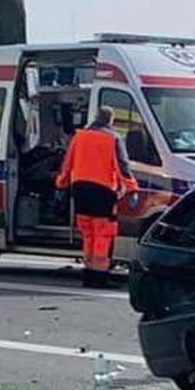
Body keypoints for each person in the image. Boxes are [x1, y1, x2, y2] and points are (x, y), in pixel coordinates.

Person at [55, 106, 138, 288]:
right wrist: (132, 188)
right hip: (103, 190)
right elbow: (123, 165)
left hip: (80, 189)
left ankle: (88, 275)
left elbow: (67, 162)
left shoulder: (80, 136)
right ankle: (99, 277)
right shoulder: (113, 138)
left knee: (88, 233)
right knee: (103, 233)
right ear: (110, 121)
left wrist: (62, 183)